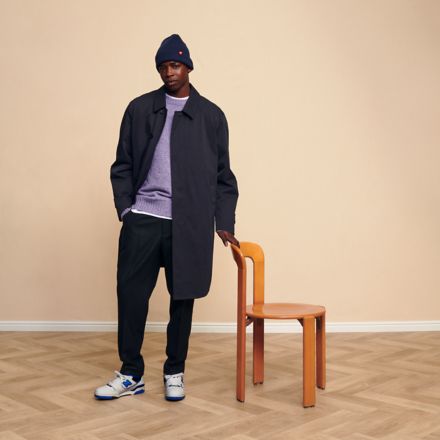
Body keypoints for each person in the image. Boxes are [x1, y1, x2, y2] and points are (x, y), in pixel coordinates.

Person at [94, 34, 239, 402]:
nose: (169, 72)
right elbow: (122, 164)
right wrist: (127, 210)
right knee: (131, 297)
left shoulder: (211, 116)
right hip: (143, 219)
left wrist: (224, 222)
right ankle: (130, 373)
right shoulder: (139, 109)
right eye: (163, 67)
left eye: (175, 65)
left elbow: (223, 177)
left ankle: (175, 371)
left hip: (188, 223)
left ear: (188, 67)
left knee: (183, 299)